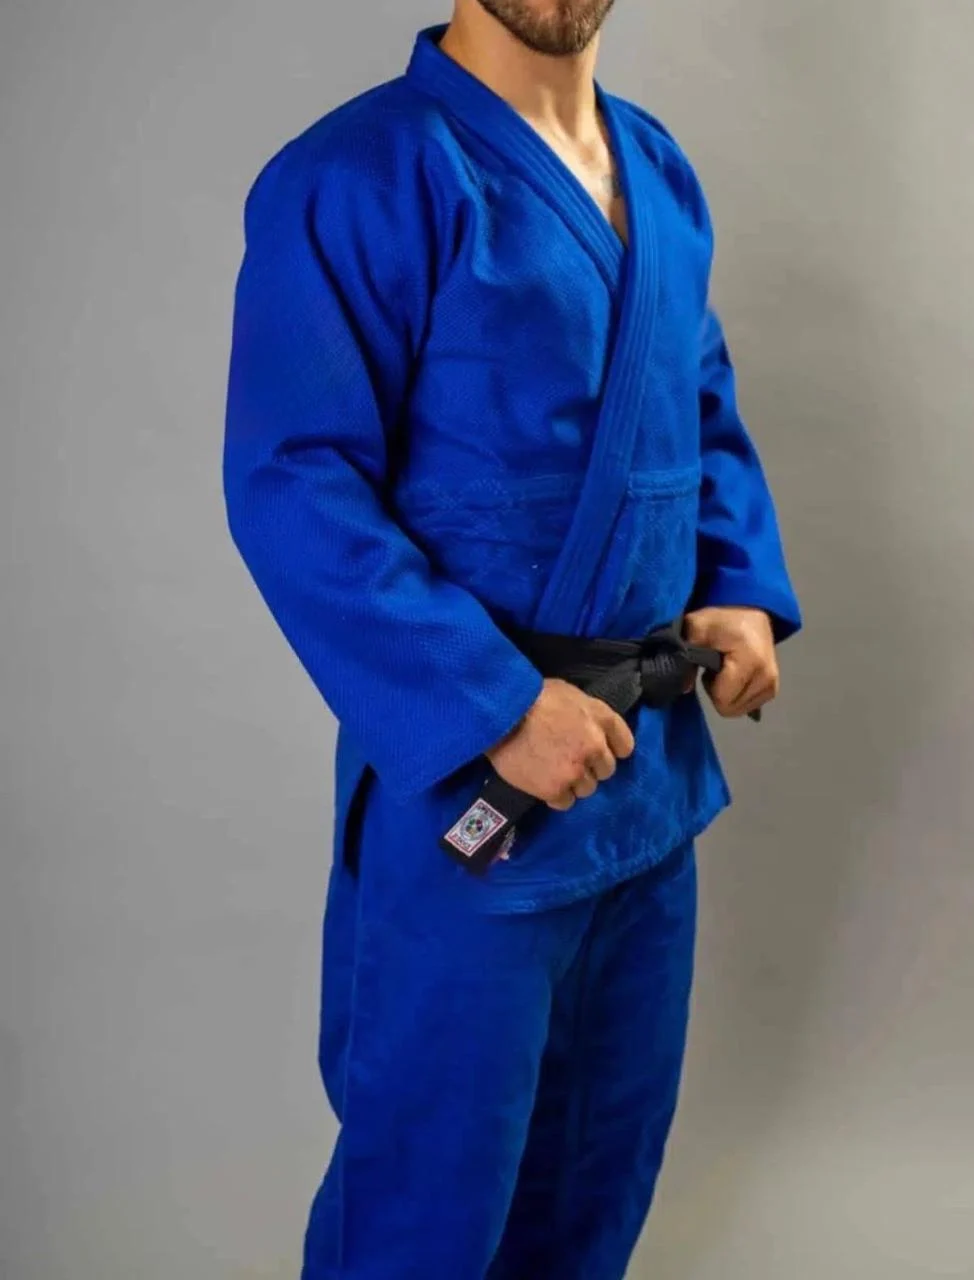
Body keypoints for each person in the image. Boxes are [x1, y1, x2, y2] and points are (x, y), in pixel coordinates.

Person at [223, 1, 801, 1275]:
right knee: (423, 1211)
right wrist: (494, 704)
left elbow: (697, 398)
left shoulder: (657, 168)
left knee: (594, 1192)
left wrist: (738, 585)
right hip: (480, 796)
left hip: (644, 785)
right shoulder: (358, 178)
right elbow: (292, 479)